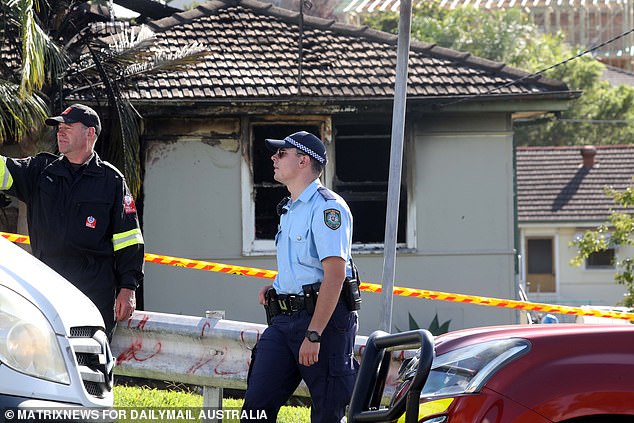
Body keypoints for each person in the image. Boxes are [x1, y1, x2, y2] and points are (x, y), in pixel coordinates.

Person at [242, 131, 358, 422]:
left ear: (304, 161)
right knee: (254, 411)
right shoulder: (289, 208)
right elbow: (306, 265)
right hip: (283, 324)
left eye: (282, 153)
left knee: (327, 415)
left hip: (324, 324)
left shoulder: (328, 209)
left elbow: (335, 276)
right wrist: (280, 286)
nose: (273, 157)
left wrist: (314, 333)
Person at [0, 103, 144, 339]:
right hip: (46, 293)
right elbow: (3, 170)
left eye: (68, 127)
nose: (60, 131)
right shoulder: (41, 171)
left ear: (90, 133)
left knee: (88, 368)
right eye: (59, 127)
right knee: (45, 366)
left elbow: (129, 240)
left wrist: (128, 288)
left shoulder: (111, 181)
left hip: (92, 297)